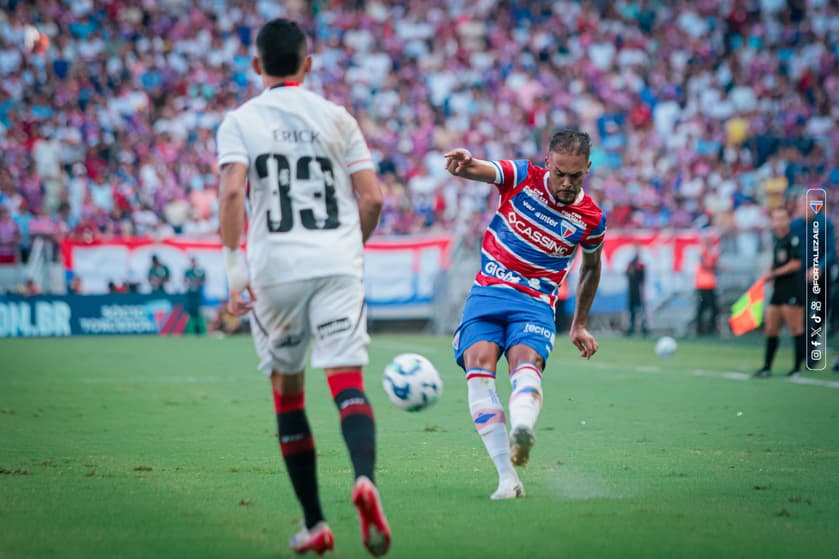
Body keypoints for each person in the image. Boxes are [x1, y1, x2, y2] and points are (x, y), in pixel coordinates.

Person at [216, 19, 390, 556]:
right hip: (336, 263)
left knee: (288, 393)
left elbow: (229, 193)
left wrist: (232, 268)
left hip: (276, 272)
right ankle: (365, 479)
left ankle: (315, 523)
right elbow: (374, 198)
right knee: (346, 379)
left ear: (256, 66)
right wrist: (350, 249)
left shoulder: (240, 120)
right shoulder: (338, 118)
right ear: (307, 64)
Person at [444, 130, 606, 500]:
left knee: (524, 363)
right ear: (547, 162)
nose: (566, 183)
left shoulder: (591, 218)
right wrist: (466, 165)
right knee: (478, 366)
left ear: (588, 170)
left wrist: (578, 323)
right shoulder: (522, 177)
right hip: (488, 293)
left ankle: (522, 427)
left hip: (535, 303)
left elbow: (592, 268)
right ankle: (507, 478)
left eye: (576, 176)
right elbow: (482, 170)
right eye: (560, 173)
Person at [753, 207, 805, 378]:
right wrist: (768, 273)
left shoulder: (793, 239)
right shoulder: (776, 239)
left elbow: (796, 264)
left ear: (787, 220)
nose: (778, 222)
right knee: (771, 327)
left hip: (792, 288)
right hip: (778, 289)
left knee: (796, 328)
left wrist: (774, 273)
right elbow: (776, 262)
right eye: (775, 218)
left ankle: (797, 369)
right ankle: (767, 367)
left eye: (781, 218)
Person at [694, 236, 719, 335]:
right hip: (703, 285)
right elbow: (705, 265)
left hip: (709, 285)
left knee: (706, 308)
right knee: (707, 308)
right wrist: (716, 266)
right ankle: (704, 329)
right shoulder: (703, 253)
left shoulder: (709, 254)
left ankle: (705, 329)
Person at [624, 245, 648, 337]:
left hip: (638, 291)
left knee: (640, 311)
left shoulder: (640, 264)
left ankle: (643, 328)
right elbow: (627, 274)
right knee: (632, 311)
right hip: (633, 291)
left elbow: (642, 278)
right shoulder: (631, 263)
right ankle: (632, 328)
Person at [183, 257, 207, 335]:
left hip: (197, 295)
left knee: (199, 313)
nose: (193, 264)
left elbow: (204, 280)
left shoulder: (200, 271)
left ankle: (200, 331)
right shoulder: (188, 271)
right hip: (190, 295)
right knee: (190, 312)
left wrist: (197, 281)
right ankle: (190, 331)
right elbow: (184, 281)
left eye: (194, 262)